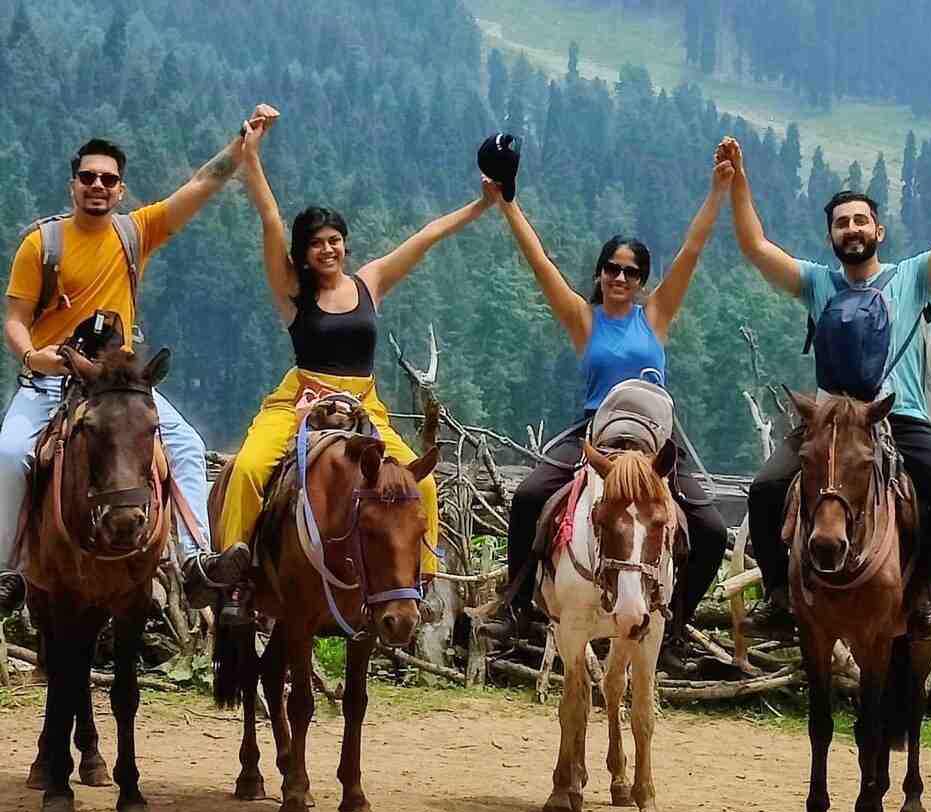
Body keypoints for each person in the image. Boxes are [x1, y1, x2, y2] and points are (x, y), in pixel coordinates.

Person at [722, 126, 931, 642]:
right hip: (830, 422)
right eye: (841, 223)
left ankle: (923, 598)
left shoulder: (914, 277)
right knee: (764, 490)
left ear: (879, 231)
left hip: (900, 416)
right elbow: (755, 246)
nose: (851, 229)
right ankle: (779, 596)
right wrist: (738, 181)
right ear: (831, 237)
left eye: (860, 221)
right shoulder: (817, 283)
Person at [213, 111, 497, 624]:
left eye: (334, 240)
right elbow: (271, 220)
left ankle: (422, 577)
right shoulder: (293, 293)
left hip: (364, 403)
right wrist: (251, 157)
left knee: (421, 483)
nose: (327, 249)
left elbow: (426, 237)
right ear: (303, 253)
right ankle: (236, 573)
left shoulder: (369, 282)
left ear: (345, 244)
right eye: (316, 243)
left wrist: (482, 204)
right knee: (250, 468)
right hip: (300, 400)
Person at [0, 109, 279, 617]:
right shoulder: (42, 244)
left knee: (186, 447)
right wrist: (33, 356)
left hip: (119, 384)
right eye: (88, 177)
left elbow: (201, 184)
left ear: (121, 189)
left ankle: (195, 560)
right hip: (52, 378)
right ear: (72, 185)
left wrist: (242, 143)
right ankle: (10, 571)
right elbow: (15, 319)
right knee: (9, 452)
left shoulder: (135, 233)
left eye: (108, 179)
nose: (98, 186)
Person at [479, 145, 732, 656]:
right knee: (529, 497)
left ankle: (675, 624)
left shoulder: (655, 316)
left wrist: (719, 190)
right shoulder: (583, 318)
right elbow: (539, 262)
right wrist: (508, 203)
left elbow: (692, 249)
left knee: (709, 529)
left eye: (631, 272)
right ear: (599, 273)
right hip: (597, 431)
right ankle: (516, 605)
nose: (620, 278)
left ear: (642, 281)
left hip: (654, 435)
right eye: (612, 269)